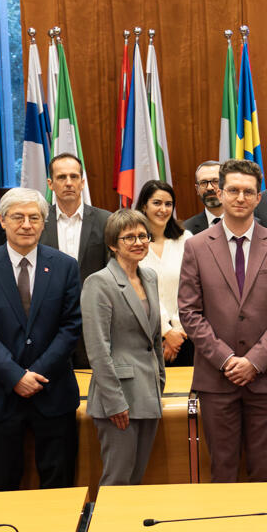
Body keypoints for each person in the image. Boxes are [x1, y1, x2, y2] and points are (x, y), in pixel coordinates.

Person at [179, 159, 267, 483]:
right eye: (233, 190)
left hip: (266, 377)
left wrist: (254, 361)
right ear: (220, 192)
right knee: (223, 469)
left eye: (249, 192)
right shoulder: (196, 246)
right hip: (217, 379)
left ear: (259, 197)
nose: (241, 198)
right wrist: (227, 359)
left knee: (264, 470)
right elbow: (189, 312)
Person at [0, 188, 83, 491]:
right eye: (18, 217)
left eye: (34, 218)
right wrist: (15, 376)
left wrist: (37, 373)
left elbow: (71, 326)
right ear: (2, 221)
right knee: (1, 485)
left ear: (45, 223)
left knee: (60, 486)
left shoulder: (65, 265)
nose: (26, 224)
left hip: (53, 391)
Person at [82, 209, 168, 487]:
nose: (138, 242)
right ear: (112, 244)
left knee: (137, 477)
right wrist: (115, 401)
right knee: (118, 480)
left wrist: (160, 379)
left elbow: (153, 337)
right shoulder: (99, 282)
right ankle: (108, 531)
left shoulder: (150, 277)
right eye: (129, 237)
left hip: (148, 391)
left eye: (143, 235)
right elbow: (97, 349)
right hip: (118, 398)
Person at [134, 180, 188, 367]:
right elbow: (137, 291)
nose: (163, 209)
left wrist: (178, 333)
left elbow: (193, 289)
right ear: (144, 206)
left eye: (168, 204)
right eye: (157, 203)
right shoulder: (134, 244)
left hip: (185, 338)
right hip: (144, 337)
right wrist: (166, 332)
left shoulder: (186, 239)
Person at [42, 152, 109, 280]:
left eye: (74, 176)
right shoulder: (39, 221)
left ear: (82, 183)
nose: (68, 183)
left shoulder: (105, 220)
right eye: (61, 177)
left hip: (93, 297)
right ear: (50, 184)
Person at [181, 159, 223, 235]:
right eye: (203, 183)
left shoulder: (246, 222)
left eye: (215, 181)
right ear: (197, 189)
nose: (209, 188)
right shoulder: (186, 230)